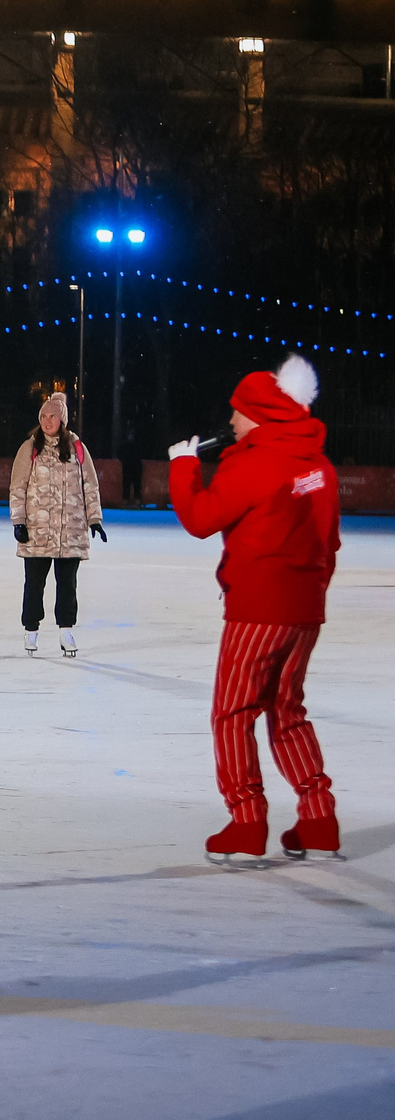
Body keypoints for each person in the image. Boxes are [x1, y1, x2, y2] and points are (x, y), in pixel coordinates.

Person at [169, 354, 343, 865]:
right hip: (305, 608)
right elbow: (329, 541)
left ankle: (246, 822)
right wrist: (309, 593)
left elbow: (201, 518)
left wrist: (183, 468)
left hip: (258, 608)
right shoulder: (317, 465)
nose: (231, 422)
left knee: (233, 712)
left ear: (261, 414)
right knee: (287, 710)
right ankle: (318, 816)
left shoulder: (256, 461)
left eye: (238, 413)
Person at [10, 392, 104, 656]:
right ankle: (31, 630)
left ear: (62, 419)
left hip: (70, 530)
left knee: (68, 585)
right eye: (43, 416)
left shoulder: (77, 449)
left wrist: (94, 519)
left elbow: (90, 486)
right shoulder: (30, 448)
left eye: (52, 416)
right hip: (37, 530)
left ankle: (66, 631)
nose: (47, 420)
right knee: (34, 584)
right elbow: (18, 487)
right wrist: (18, 520)